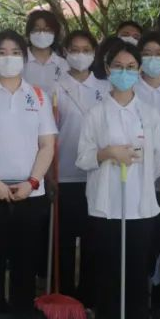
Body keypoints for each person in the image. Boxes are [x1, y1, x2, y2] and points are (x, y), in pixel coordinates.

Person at [76, 41, 160, 319]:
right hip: (106, 204)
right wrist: (107, 153)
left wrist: (140, 176)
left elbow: (158, 157)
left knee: (137, 268)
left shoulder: (149, 114)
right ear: (108, 69)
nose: (124, 73)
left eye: (130, 67)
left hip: (140, 205)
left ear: (139, 71)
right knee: (108, 267)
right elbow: (83, 158)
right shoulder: (96, 113)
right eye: (118, 67)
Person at [0, 30, 56, 314]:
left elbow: (47, 145)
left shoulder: (38, 96)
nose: (9, 58)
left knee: (25, 261)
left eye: (15, 52)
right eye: (2, 53)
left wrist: (32, 182)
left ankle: (22, 318)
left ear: (24, 58)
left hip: (30, 192)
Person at [53, 30, 109, 304]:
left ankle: (88, 298)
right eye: (74, 49)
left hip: (96, 175)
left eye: (86, 49)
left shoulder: (106, 88)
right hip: (64, 175)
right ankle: (64, 297)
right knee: (63, 242)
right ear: (65, 52)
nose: (80, 54)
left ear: (94, 53)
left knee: (93, 241)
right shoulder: (54, 88)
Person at [24, 9, 68, 94]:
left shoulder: (63, 65)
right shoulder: (19, 61)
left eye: (47, 30)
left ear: (55, 34)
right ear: (29, 33)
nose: (42, 33)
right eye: (37, 29)